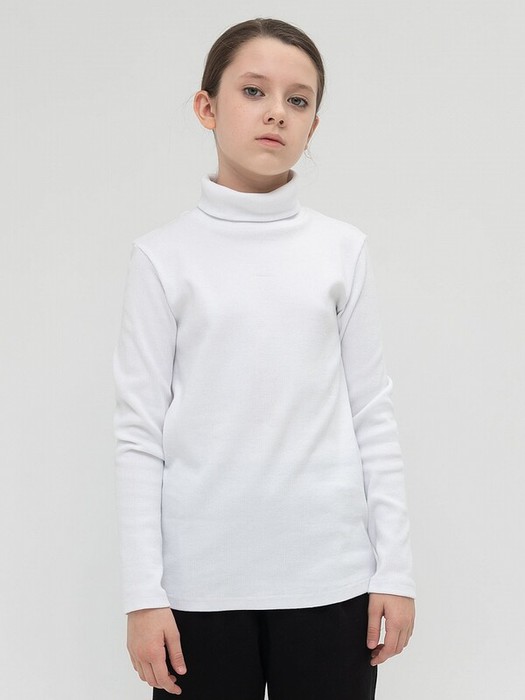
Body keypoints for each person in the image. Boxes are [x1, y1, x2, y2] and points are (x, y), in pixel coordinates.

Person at [112, 17, 416, 700]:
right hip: (198, 589)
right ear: (207, 107)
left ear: (313, 126)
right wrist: (143, 596)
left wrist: (394, 571)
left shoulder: (342, 250)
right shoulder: (162, 258)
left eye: (298, 100)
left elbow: (372, 414)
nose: (276, 111)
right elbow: (139, 435)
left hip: (332, 582)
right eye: (253, 91)